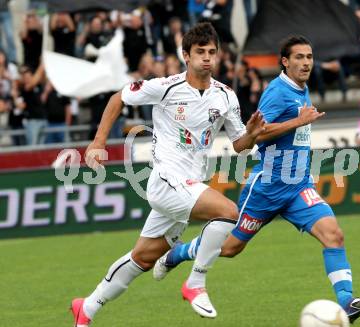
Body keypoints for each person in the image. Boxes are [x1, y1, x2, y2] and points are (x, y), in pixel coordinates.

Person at [154, 35, 360, 324]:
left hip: (298, 186)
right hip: (267, 187)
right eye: (299, 57)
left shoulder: (301, 89)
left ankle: (347, 302)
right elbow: (257, 133)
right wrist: (298, 122)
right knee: (229, 248)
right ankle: (177, 253)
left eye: (309, 57)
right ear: (285, 62)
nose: (306, 62)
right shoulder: (277, 91)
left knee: (333, 234)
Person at [70, 22, 265, 326]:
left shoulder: (226, 96)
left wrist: (252, 135)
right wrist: (98, 143)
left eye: (211, 52)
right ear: (186, 55)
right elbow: (118, 98)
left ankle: (87, 307)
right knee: (228, 212)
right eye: (200, 52)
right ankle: (196, 283)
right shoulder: (166, 87)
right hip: (165, 180)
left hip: (189, 186)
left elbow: (240, 145)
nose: (207, 58)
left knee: (143, 258)